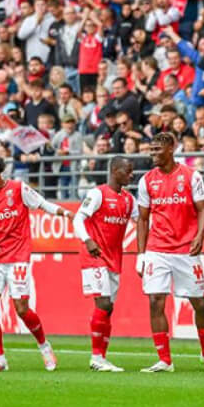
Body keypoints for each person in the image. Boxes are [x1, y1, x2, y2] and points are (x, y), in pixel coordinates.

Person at [0, 151, 71, 372]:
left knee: (22, 308)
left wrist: (66, 214)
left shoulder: (17, 189)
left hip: (17, 257)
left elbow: (43, 204)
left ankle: (44, 347)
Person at [135, 132, 204, 372]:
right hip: (157, 249)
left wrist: (200, 236)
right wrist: (141, 254)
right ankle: (164, 360)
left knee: (199, 303)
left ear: (171, 148)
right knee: (155, 301)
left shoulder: (191, 176)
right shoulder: (147, 180)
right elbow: (142, 219)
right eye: (151, 150)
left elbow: (202, 209)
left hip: (186, 249)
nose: (153, 154)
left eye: (157, 150)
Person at [72, 156, 138, 372]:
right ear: (115, 171)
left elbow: (144, 220)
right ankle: (96, 357)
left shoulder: (129, 200)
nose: (131, 174)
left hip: (114, 258)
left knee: (108, 309)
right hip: (94, 255)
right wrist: (88, 240)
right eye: (128, 171)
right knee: (104, 304)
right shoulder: (97, 194)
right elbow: (78, 219)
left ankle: (102, 357)